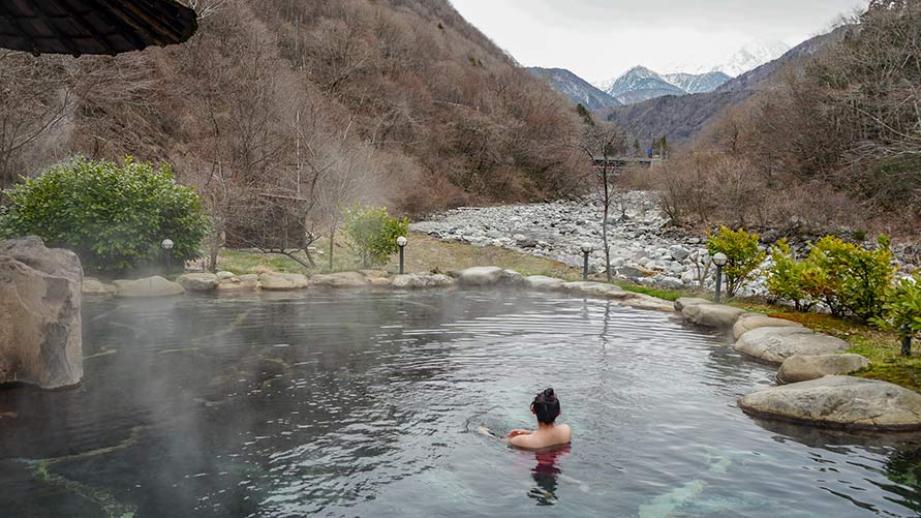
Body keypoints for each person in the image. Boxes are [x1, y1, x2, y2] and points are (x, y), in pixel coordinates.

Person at [507, 388, 571, 450]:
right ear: (559, 412)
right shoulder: (566, 430)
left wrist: (511, 437)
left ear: (533, 410)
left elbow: (505, 442)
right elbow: (546, 436)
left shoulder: (521, 440)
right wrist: (530, 433)